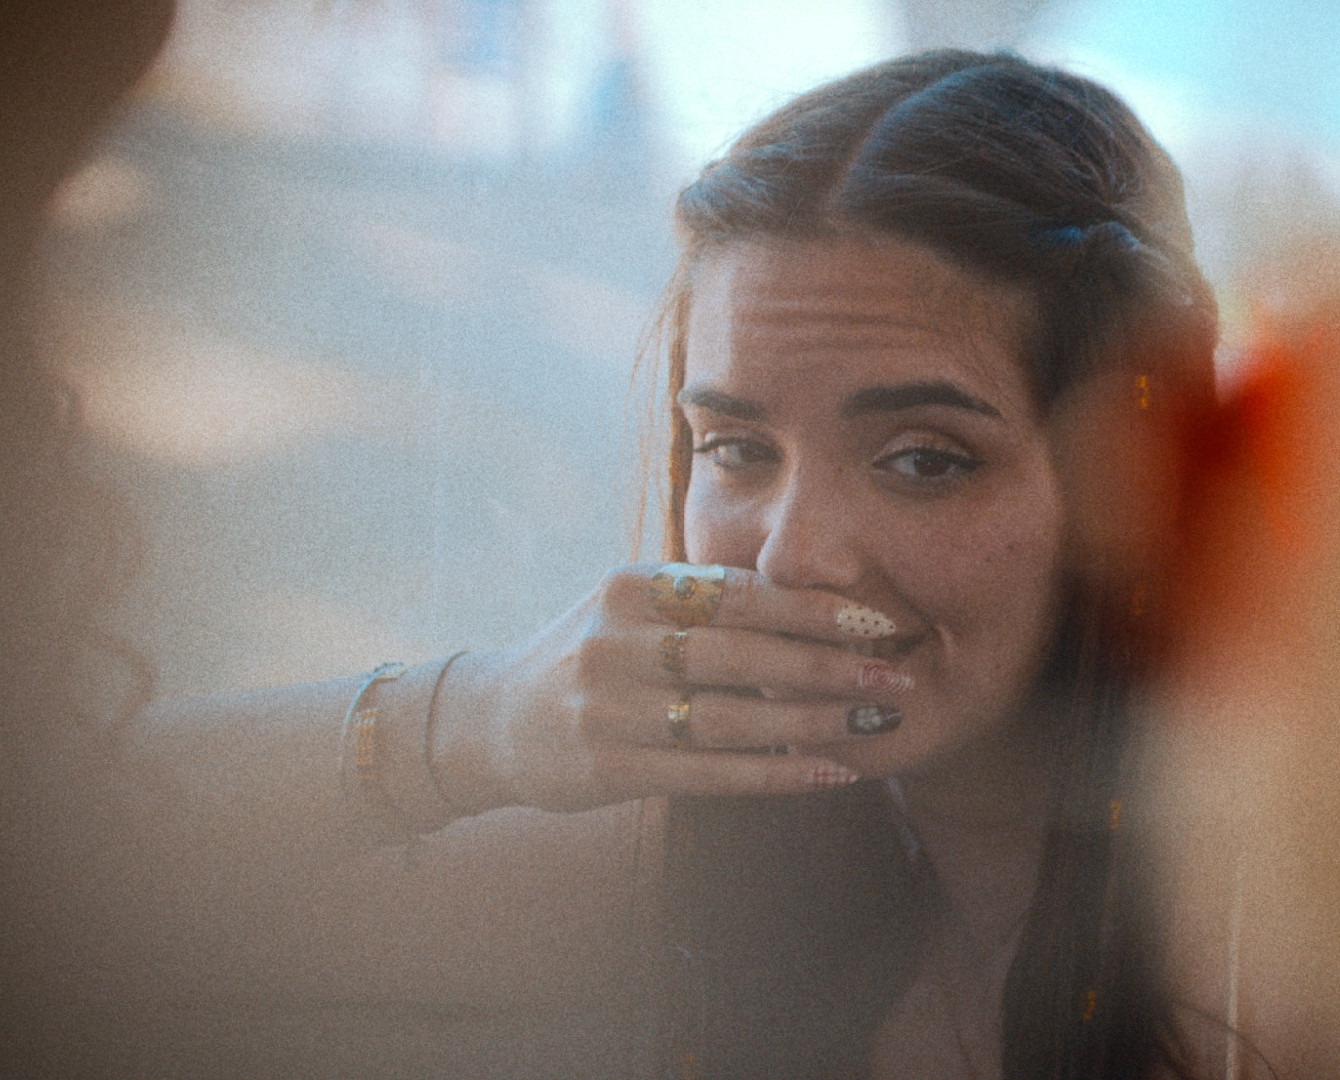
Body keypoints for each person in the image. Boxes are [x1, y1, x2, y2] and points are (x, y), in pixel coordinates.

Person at [14, 50, 1227, 1080]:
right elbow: (56, 875)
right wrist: (476, 720)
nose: (792, 552)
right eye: (739, 449)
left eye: (922, 460)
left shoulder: (1266, 945)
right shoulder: (731, 872)